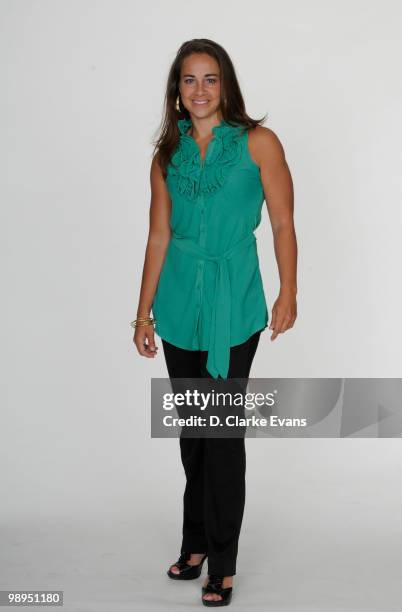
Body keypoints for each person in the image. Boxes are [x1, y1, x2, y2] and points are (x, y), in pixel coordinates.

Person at [132, 38, 297, 606]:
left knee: (223, 434)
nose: (199, 90)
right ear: (176, 92)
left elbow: (281, 223)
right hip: (178, 306)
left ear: (225, 84)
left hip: (235, 307)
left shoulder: (258, 143)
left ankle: (222, 560)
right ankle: (196, 539)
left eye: (209, 79)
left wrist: (288, 292)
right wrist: (142, 313)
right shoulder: (166, 155)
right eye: (188, 80)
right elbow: (157, 235)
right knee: (194, 434)